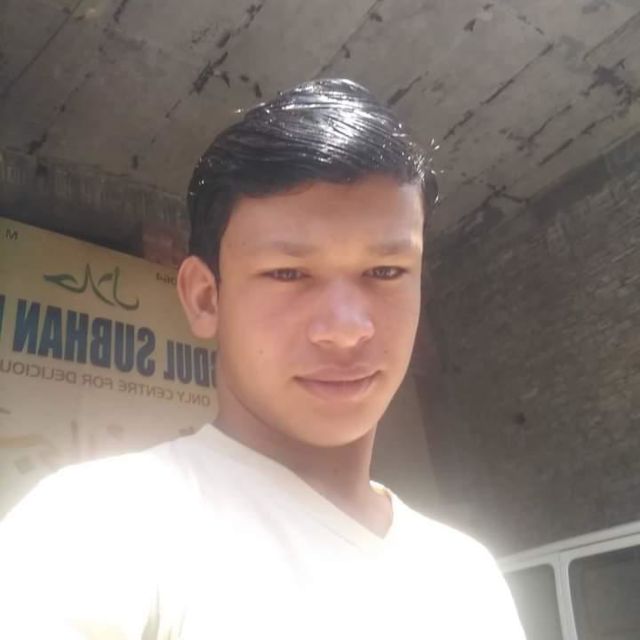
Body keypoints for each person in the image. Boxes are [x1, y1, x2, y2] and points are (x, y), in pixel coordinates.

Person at [0, 79, 524, 639]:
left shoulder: (468, 575)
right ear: (206, 298)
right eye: (288, 273)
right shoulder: (103, 527)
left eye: (386, 271)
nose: (346, 329)